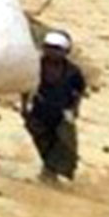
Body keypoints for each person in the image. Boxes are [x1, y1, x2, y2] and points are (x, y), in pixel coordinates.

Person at [23, 30, 85, 182]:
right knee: (42, 141)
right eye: (49, 47)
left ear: (65, 52)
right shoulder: (36, 65)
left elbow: (79, 91)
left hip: (61, 114)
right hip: (39, 112)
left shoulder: (72, 72)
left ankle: (51, 172)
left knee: (63, 144)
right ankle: (49, 170)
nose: (52, 52)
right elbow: (26, 86)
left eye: (57, 49)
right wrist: (24, 106)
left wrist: (74, 109)